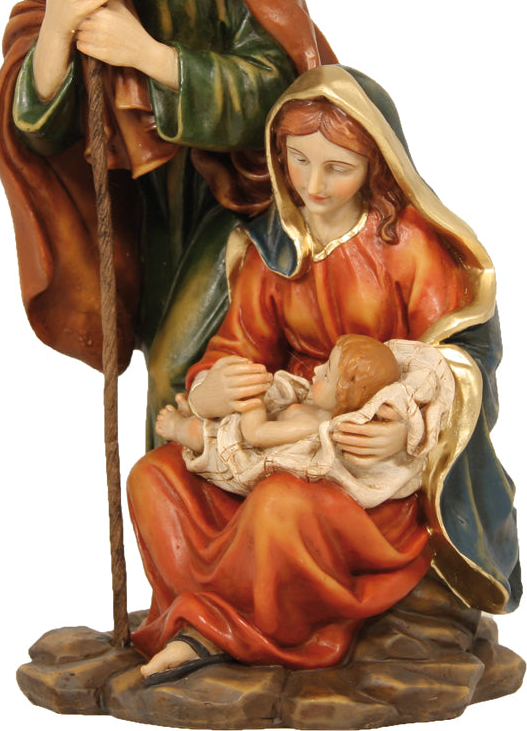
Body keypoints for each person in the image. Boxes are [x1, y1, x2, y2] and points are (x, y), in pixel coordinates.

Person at [127, 65, 520, 681]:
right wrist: (210, 390)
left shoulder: (409, 247)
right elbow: (236, 348)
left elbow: (452, 361)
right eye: (298, 160)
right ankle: (197, 620)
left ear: (376, 165)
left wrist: (406, 430)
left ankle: (258, 638)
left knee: (280, 507)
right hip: (284, 425)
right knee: (154, 478)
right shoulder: (272, 250)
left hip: (362, 468)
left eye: (338, 167)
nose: (313, 184)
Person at [0, 0, 336, 446]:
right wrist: (56, 30)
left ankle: (184, 501)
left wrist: (152, 58)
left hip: (245, 205)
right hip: (146, 212)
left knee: (177, 372)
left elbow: (284, 97)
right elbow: (36, 130)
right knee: (174, 358)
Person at [155, 333, 456, 507]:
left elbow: (255, 434)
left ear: (344, 397)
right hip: (258, 426)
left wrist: (253, 402)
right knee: (155, 472)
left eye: (326, 374)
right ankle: (190, 412)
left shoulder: (315, 425)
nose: (316, 370)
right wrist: (205, 395)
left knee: (202, 434)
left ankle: (180, 427)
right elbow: (236, 342)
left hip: (245, 449)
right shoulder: (312, 401)